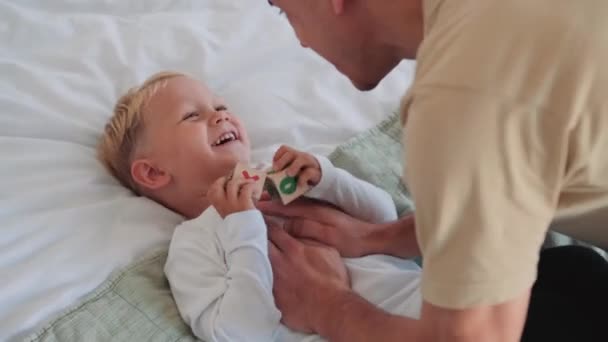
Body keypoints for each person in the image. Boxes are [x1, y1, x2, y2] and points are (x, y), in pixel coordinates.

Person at [262, 0, 608, 341]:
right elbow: (499, 182)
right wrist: (378, 237)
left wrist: (328, 307)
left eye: (284, 10)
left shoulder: (461, 99)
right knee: (571, 272)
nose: (302, 40)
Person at [97, 71, 427, 341]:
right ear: (154, 172)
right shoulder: (193, 244)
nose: (220, 114)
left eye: (220, 105)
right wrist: (243, 228)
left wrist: (330, 180)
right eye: (192, 115)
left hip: (431, 305)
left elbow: (385, 222)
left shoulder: (284, 176)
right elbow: (240, 332)